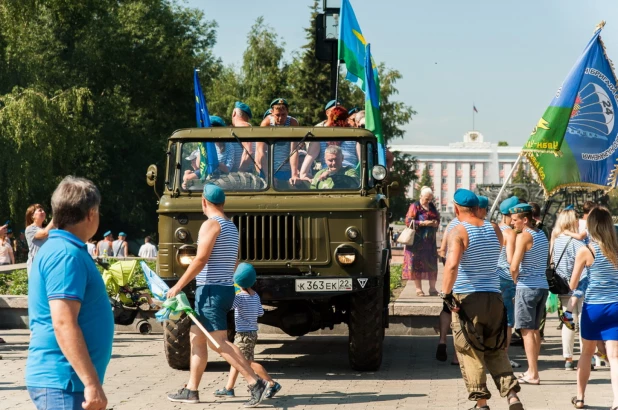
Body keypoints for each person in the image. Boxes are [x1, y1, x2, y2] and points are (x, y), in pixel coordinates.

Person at [166, 184, 269, 407]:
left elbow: (200, 259)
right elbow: (233, 262)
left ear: (204, 201)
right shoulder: (231, 228)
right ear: (222, 203)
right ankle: (191, 390)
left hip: (210, 290)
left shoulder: (210, 225)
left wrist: (178, 286)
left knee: (219, 342)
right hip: (222, 289)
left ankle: (255, 383)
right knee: (197, 339)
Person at [26, 176, 113, 410]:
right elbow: (64, 322)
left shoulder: (61, 248)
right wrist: (91, 383)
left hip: (65, 382)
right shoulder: (65, 255)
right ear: (91, 213)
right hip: (64, 383)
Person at [441, 189, 523, 410]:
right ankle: (512, 396)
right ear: (477, 207)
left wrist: (446, 294)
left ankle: (481, 403)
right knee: (495, 349)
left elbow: (451, 265)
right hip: (494, 297)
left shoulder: (458, 231)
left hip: (468, 299)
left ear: (456, 208)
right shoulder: (494, 228)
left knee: (470, 351)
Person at [569, 206, 618, 410]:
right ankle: (617, 401)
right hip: (615, 306)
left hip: (593, 308)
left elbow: (572, 284)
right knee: (614, 356)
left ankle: (580, 398)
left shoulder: (586, 250)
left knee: (587, 353)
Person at [214, 263, 282, 399]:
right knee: (237, 358)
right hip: (252, 333)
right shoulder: (255, 296)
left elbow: (228, 307)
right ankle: (229, 388)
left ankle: (271, 383)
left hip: (243, 334)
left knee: (245, 362)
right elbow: (260, 312)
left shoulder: (239, 297)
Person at [509, 203, 549, 385]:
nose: (512, 222)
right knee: (535, 330)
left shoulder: (524, 236)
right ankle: (533, 369)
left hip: (527, 286)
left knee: (526, 331)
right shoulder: (542, 234)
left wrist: (514, 280)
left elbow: (514, 265)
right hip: (542, 285)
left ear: (525, 220)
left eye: (515, 219)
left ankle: (533, 373)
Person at [550, 207, 586, 370]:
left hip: (562, 286)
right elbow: (585, 267)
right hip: (579, 286)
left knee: (568, 321)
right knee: (584, 323)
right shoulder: (578, 243)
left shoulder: (557, 240)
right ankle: (586, 357)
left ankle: (568, 358)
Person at [496, 196, 521, 369]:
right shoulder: (510, 233)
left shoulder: (493, 228)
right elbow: (512, 260)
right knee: (508, 320)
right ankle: (504, 358)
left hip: (493, 278)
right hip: (506, 278)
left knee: (494, 319)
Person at [402, 186, 440, 296]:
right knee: (416, 265)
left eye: (430, 199)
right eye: (426, 198)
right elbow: (408, 221)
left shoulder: (432, 206)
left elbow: (437, 218)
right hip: (417, 242)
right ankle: (418, 289)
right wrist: (423, 223)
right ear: (421, 196)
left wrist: (435, 222)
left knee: (432, 264)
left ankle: (432, 289)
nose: (428, 201)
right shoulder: (415, 206)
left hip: (430, 243)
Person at [258, 98, 300, 183]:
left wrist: (294, 174)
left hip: (287, 170)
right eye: (277, 115)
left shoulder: (293, 123)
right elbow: (260, 151)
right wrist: (268, 175)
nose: (280, 118)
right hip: (269, 169)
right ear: (272, 112)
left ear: (287, 112)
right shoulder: (266, 124)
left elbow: (294, 150)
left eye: (283, 115)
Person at [25, 204, 55, 274]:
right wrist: (56, 217)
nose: (43, 212)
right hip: (36, 266)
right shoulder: (30, 229)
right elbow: (44, 233)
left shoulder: (46, 228)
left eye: (43, 210)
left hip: (48, 264)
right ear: (32, 215)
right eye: (40, 210)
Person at [231, 101, 255, 173]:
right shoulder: (246, 127)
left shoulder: (242, 127)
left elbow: (249, 152)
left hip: (243, 174)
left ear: (234, 113)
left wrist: (240, 172)